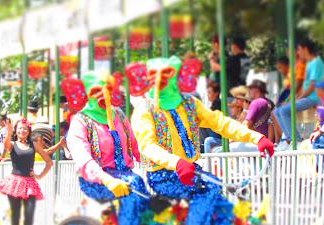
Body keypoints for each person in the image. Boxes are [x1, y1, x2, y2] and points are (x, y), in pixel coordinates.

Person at [130, 56, 274, 225]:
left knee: (224, 209)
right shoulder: (145, 108)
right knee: (209, 191)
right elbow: (147, 145)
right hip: (162, 176)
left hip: (192, 171)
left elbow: (220, 123)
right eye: (154, 74)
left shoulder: (189, 103)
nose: (160, 78)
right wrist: (176, 162)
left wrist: (257, 138)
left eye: (166, 73)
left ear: (176, 75)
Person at [65, 71, 149, 225]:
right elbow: (83, 159)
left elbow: (135, 147)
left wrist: (162, 163)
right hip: (97, 181)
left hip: (126, 177)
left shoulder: (119, 115)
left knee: (149, 204)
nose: (104, 94)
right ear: (88, 94)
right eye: (97, 91)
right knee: (135, 185)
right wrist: (107, 179)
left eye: (108, 89)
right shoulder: (80, 120)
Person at [0, 119, 53, 225]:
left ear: (29, 131)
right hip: (15, 183)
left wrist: (39, 176)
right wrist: (8, 132)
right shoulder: (12, 144)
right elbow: (6, 144)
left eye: (25, 128)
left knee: (29, 216)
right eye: (20, 128)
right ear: (16, 130)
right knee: (15, 216)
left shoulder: (34, 145)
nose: (22, 130)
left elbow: (49, 162)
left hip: (30, 184)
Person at [275, 39, 324, 149]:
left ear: (305, 49)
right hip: (307, 97)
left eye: (299, 49)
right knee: (277, 110)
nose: (298, 52)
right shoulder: (310, 63)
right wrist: (291, 99)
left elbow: (312, 86)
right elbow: (304, 86)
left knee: (283, 111)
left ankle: (295, 140)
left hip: (314, 97)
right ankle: (288, 139)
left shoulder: (316, 62)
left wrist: (297, 99)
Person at [309, 82, 324, 149]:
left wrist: (320, 131)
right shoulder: (320, 102)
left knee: (318, 141)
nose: (316, 90)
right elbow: (318, 120)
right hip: (320, 131)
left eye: (318, 88)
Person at [202, 81, 222, 153]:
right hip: (214, 134)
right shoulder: (214, 105)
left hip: (221, 138)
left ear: (216, 93)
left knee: (208, 141)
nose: (208, 95)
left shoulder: (218, 105)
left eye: (210, 92)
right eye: (208, 92)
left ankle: (208, 163)